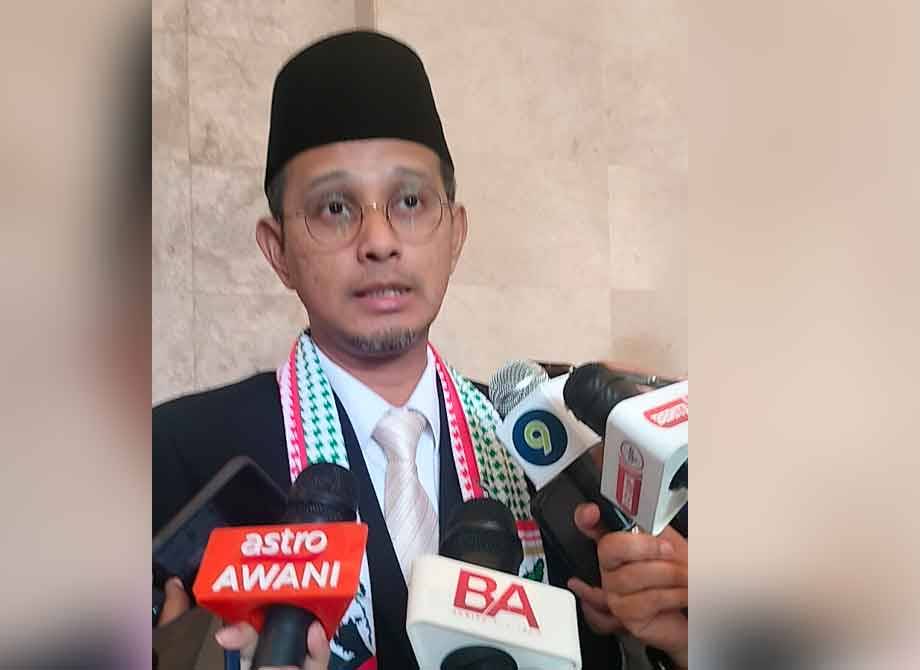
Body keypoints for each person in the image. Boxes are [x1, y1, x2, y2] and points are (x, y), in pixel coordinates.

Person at [153, 30, 687, 670]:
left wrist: (683, 640)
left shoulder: (555, 457)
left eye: (410, 201)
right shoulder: (178, 456)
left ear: (454, 234)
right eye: (334, 208)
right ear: (278, 251)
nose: (379, 241)